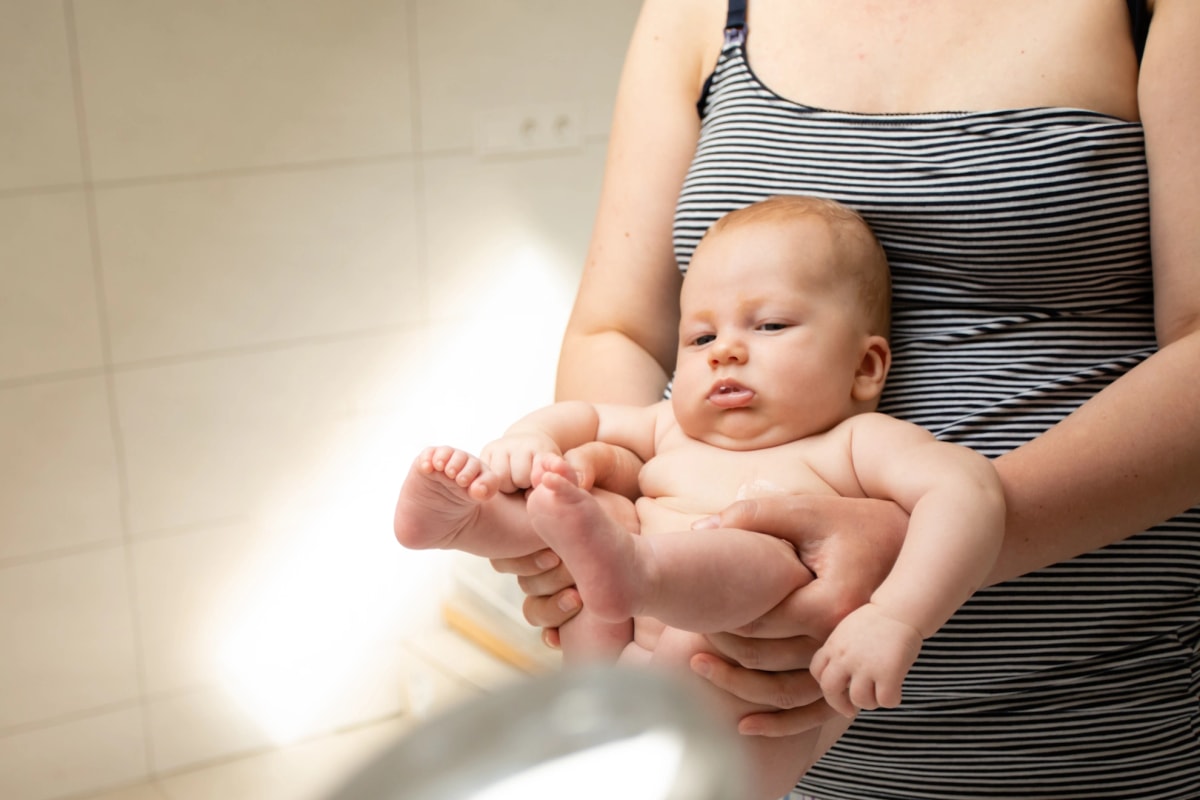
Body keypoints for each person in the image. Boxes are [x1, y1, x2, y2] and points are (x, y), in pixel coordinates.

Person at [491, 1, 1200, 797]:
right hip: (742, 718)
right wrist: (617, 514)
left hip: (1081, 723)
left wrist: (917, 560)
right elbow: (618, 328)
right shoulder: (700, 10)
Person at [396, 196, 1006, 799]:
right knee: (583, 495)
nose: (725, 350)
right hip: (609, 678)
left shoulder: (852, 443)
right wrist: (529, 441)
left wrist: (897, 614)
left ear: (865, 367)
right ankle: (473, 521)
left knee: (766, 561)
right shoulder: (669, 426)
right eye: (700, 336)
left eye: (770, 325)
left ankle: (635, 568)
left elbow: (968, 492)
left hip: (732, 694)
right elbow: (579, 414)